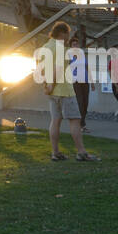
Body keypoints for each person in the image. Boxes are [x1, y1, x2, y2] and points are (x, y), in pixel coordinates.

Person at [41, 23, 98, 162]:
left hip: (52, 93)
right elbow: (58, 69)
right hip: (64, 91)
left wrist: (46, 86)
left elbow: (42, 70)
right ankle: (81, 153)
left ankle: (55, 153)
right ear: (62, 33)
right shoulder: (61, 49)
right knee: (75, 120)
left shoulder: (45, 47)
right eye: (68, 34)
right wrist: (51, 85)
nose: (69, 37)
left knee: (55, 121)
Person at [67, 35, 90, 132]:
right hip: (76, 82)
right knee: (80, 103)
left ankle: (82, 124)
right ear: (71, 46)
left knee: (85, 104)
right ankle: (81, 125)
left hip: (85, 81)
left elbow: (87, 68)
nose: (76, 45)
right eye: (74, 44)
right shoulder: (69, 56)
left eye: (77, 44)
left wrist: (92, 82)